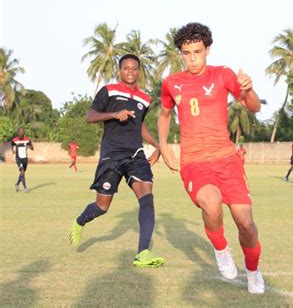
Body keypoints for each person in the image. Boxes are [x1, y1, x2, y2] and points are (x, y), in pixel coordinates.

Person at [158, 23, 264, 293]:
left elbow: (253, 107)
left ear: (208, 50)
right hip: (194, 161)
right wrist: (163, 146)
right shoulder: (172, 83)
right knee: (211, 203)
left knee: (246, 223)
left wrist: (249, 89)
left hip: (227, 159)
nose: (192, 58)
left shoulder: (222, 75)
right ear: (180, 53)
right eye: (186, 53)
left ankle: (253, 271)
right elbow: (165, 115)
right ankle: (221, 249)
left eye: (197, 51)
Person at [68, 54, 164, 268]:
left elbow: (140, 126)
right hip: (112, 155)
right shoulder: (109, 91)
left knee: (147, 197)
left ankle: (143, 253)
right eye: (126, 68)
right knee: (102, 206)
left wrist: (158, 146)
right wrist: (113, 114)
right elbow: (90, 116)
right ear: (120, 70)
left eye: (134, 68)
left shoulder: (144, 99)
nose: (130, 71)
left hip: (136, 155)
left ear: (139, 71)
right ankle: (80, 220)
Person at [11, 127, 34, 192]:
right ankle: (25, 188)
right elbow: (12, 144)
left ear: (24, 132)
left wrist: (29, 146)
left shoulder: (27, 140)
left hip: (25, 159)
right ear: (18, 132)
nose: (21, 132)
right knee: (22, 171)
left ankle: (17, 184)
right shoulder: (15, 140)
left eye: (23, 131)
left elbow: (32, 148)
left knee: (22, 174)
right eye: (20, 131)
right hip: (18, 158)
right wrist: (13, 150)